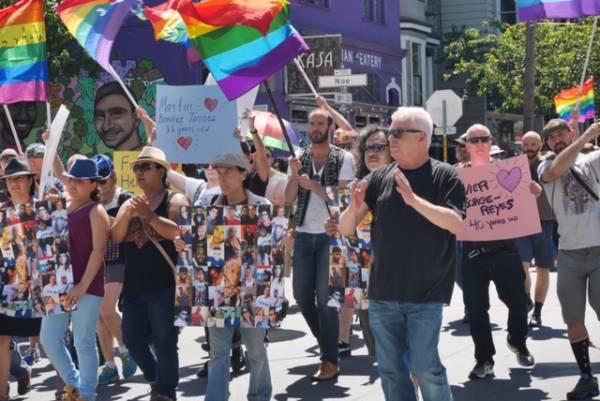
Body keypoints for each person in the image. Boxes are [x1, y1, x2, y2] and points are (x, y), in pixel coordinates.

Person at [338, 107, 465, 401]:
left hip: (427, 293)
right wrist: (353, 207)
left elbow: (456, 223)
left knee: (425, 367)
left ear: (421, 138)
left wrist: (413, 200)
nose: (389, 139)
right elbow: (346, 229)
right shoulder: (380, 177)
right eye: (389, 133)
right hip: (383, 293)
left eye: (397, 133)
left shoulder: (445, 175)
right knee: (392, 372)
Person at [284, 100, 356, 381]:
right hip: (303, 235)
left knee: (326, 300)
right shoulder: (299, 157)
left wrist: (312, 185)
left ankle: (329, 360)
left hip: (329, 236)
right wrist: (293, 174)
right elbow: (289, 198)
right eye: (311, 124)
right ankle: (328, 342)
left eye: (320, 124)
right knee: (302, 296)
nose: (315, 128)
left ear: (329, 127)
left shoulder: (343, 158)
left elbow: (343, 197)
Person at [112, 146, 188, 401]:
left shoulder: (174, 200)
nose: (138, 172)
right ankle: (157, 377)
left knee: (166, 342)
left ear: (161, 171)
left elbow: (178, 231)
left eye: (145, 167)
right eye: (136, 167)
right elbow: (116, 235)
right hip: (133, 288)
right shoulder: (128, 202)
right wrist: (128, 214)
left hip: (165, 286)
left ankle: (166, 391)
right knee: (132, 340)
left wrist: (149, 215)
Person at [460, 124, 536, 380]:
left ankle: (518, 342)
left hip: (505, 250)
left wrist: (533, 191)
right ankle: (484, 360)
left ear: (491, 142)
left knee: (518, 302)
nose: (479, 143)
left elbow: (524, 200)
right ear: (466, 145)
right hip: (472, 253)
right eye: (474, 139)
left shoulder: (509, 171)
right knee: (476, 309)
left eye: (484, 138)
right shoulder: (457, 176)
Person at [201, 153, 272, 401]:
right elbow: (199, 247)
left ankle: (260, 395)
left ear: (244, 174)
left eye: (228, 172)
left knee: (255, 349)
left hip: (253, 288)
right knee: (218, 351)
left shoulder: (263, 206)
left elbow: (273, 248)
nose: (222, 178)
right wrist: (184, 242)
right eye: (219, 173)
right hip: (220, 287)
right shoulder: (209, 208)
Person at [538, 119, 600, 400]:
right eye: (552, 136)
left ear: (571, 133)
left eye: (563, 132)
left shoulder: (591, 160)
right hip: (570, 254)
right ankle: (586, 378)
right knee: (573, 319)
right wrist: (586, 135)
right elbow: (556, 170)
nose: (558, 138)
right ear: (548, 143)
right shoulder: (544, 166)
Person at [40, 159, 111, 401]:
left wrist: (82, 286)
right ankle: (75, 385)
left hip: (88, 285)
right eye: (71, 179)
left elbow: (98, 251)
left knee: (83, 341)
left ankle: (87, 395)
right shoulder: (60, 205)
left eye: (80, 181)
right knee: (48, 338)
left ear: (93, 184)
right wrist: (48, 209)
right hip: (58, 284)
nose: (72, 184)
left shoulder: (96, 211)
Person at [340, 125, 393, 358]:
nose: (372, 152)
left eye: (379, 147)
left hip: (399, 283)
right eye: (368, 147)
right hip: (363, 278)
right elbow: (344, 228)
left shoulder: (405, 182)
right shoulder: (356, 187)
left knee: (407, 356)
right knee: (381, 356)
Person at [93, 154, 137, 385]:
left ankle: (127, 351)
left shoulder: (125, 199)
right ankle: (110, 365)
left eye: (104, 180)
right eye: (96, 181)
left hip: (120, 261)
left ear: (114, 178)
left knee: (106, 309)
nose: (99, 186)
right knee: (101, 317)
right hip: (97, 264)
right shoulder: (91, 202)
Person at [0, 158, 39, 401]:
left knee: (50, 339)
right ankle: (2, 392)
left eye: (20, 179)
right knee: (2, 338)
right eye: (10, 180)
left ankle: (64, 388)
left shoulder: (43, 209)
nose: (15, 184)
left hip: (40, 285)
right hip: (8, 285)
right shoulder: (1, 212)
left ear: (30, 181)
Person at [515, 131, 556, 328]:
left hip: (544, 222)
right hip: (521, 223)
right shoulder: (513, 165)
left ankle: (537, 311)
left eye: (533, 144)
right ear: (521, 145)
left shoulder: (548, 163)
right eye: (526, 144)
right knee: (522, 266)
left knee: (543, 268)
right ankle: (525, 301)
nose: (529, 147)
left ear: (540, 145)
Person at [93, 82, 143, 151]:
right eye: (100, 116)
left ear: (136, 118)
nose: (106, 127)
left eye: (116, 114)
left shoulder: (151, 160)